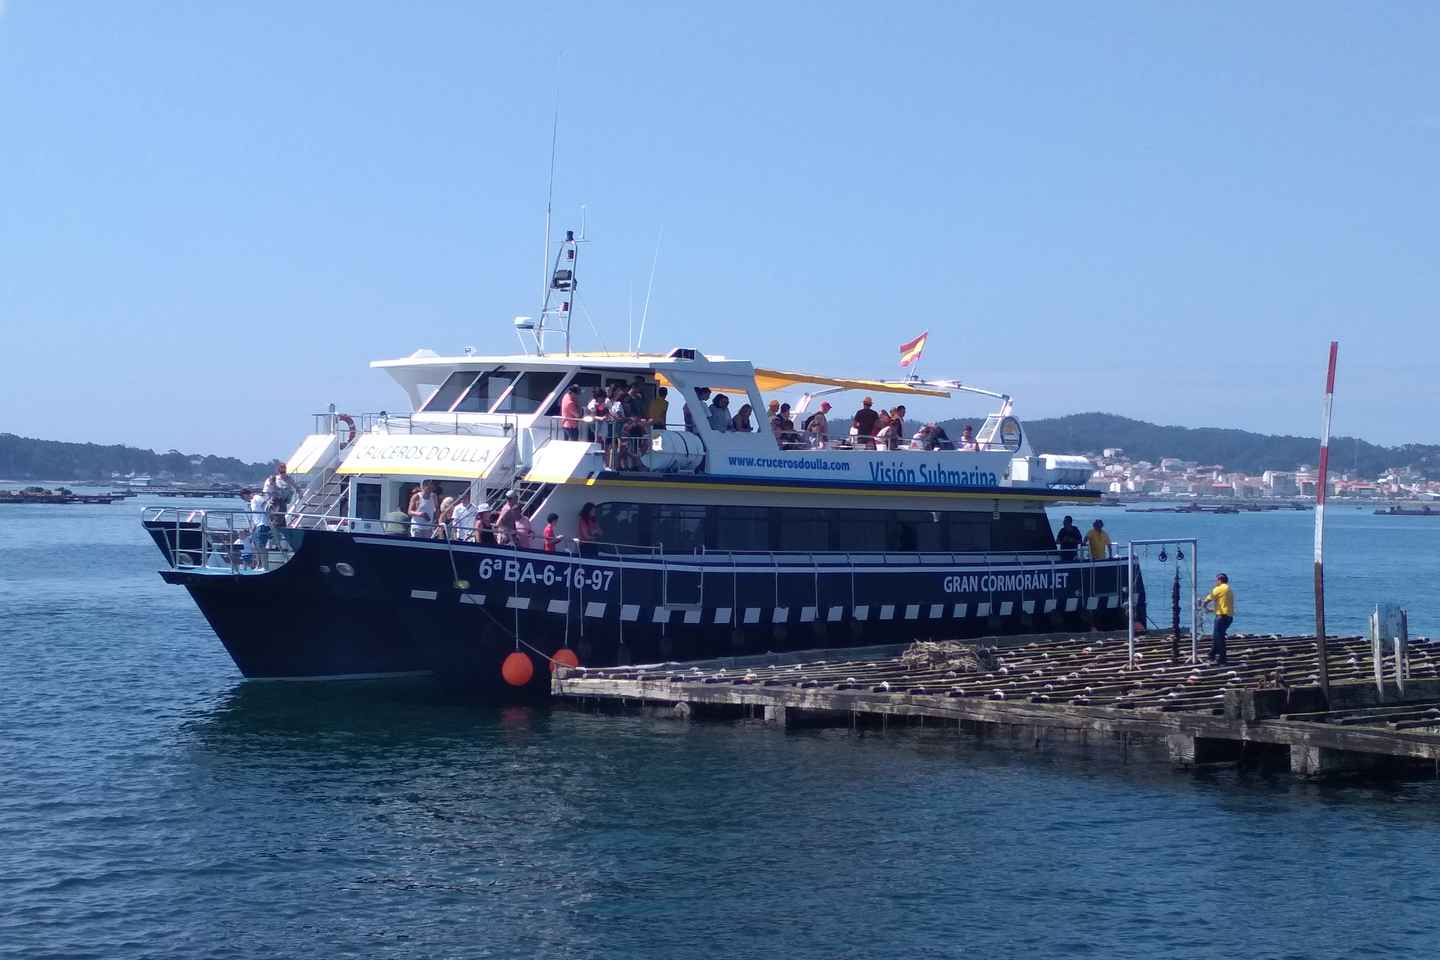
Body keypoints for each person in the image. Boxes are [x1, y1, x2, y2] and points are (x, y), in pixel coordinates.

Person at [1201, 573, 1235, 665]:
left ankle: (1222, 659)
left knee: (1219, 638)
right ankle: (1211, 655)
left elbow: (1207, 600)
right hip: (1229, 617)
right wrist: (1213, 609)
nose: (1215, 582)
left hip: (1221, 617)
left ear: (1220, 580)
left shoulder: (1219, 588)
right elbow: (1224, 604)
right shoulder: (1228, 589)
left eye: (1216, 580)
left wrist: (1204, 606)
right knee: (1217, 637)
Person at [262, 462, 300, 533]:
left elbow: (296, 486)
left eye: (284, 471)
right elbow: (266, 492)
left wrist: (299, 492)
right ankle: (273, 531)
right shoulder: (272, 479)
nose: (283, 473)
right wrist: (269, 500)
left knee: (281, 517)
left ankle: (281, 531)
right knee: (276, 518)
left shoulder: (288, 479)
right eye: (281, 472)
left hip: (283, 502)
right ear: (278, 471)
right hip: (274, 502)